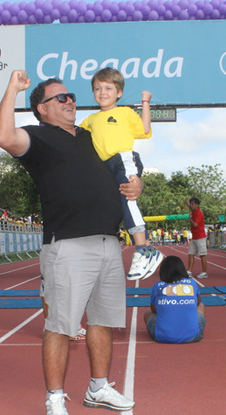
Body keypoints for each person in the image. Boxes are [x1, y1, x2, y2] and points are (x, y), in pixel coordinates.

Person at [0, 70, 139, 415]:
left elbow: (123, 163)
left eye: (71, 95)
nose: (70, 100)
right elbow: (2, 135)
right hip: (69, 245)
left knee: (103, 322)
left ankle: (99, 387)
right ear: (42, 109)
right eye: (60, 97)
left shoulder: (92, 135)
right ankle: (55, 398)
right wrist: (13, 88)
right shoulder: (39, 139)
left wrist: (136, 183)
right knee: (60, 326)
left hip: (108, 241)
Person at [79, 67, 162, 281]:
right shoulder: (90, 120)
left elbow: (144, 130)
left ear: (119, 93)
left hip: (124, 159)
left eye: (108, 87)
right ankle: (145, 249)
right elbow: (76, 139)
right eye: (97, 88)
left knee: (128, 197)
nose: (102, 92)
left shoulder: (124, 112)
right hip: (105, 167)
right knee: (115, 206)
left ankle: (143, 249)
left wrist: (145, 101)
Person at [144, 256, 206, 343]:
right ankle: (189, 327)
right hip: (193, 337)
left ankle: (167, 329)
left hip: (162, 337)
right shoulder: (192, 283)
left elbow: (154, 310)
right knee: (201, 306)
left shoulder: (157, 285)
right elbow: (198, 302)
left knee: (147, 313)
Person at [184, 197, 208, 278]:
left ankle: (204, 272)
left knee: (202, 255)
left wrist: (190, 219)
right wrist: (187, 203)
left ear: (197, 205)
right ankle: (189, 271)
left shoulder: (198, 213)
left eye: (192, 204)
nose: (191, 206)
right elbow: (190, 207)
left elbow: (195, 224)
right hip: (194, 237)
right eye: (190, 204)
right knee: (190, 254)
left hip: (200, 237)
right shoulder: (193, 211)